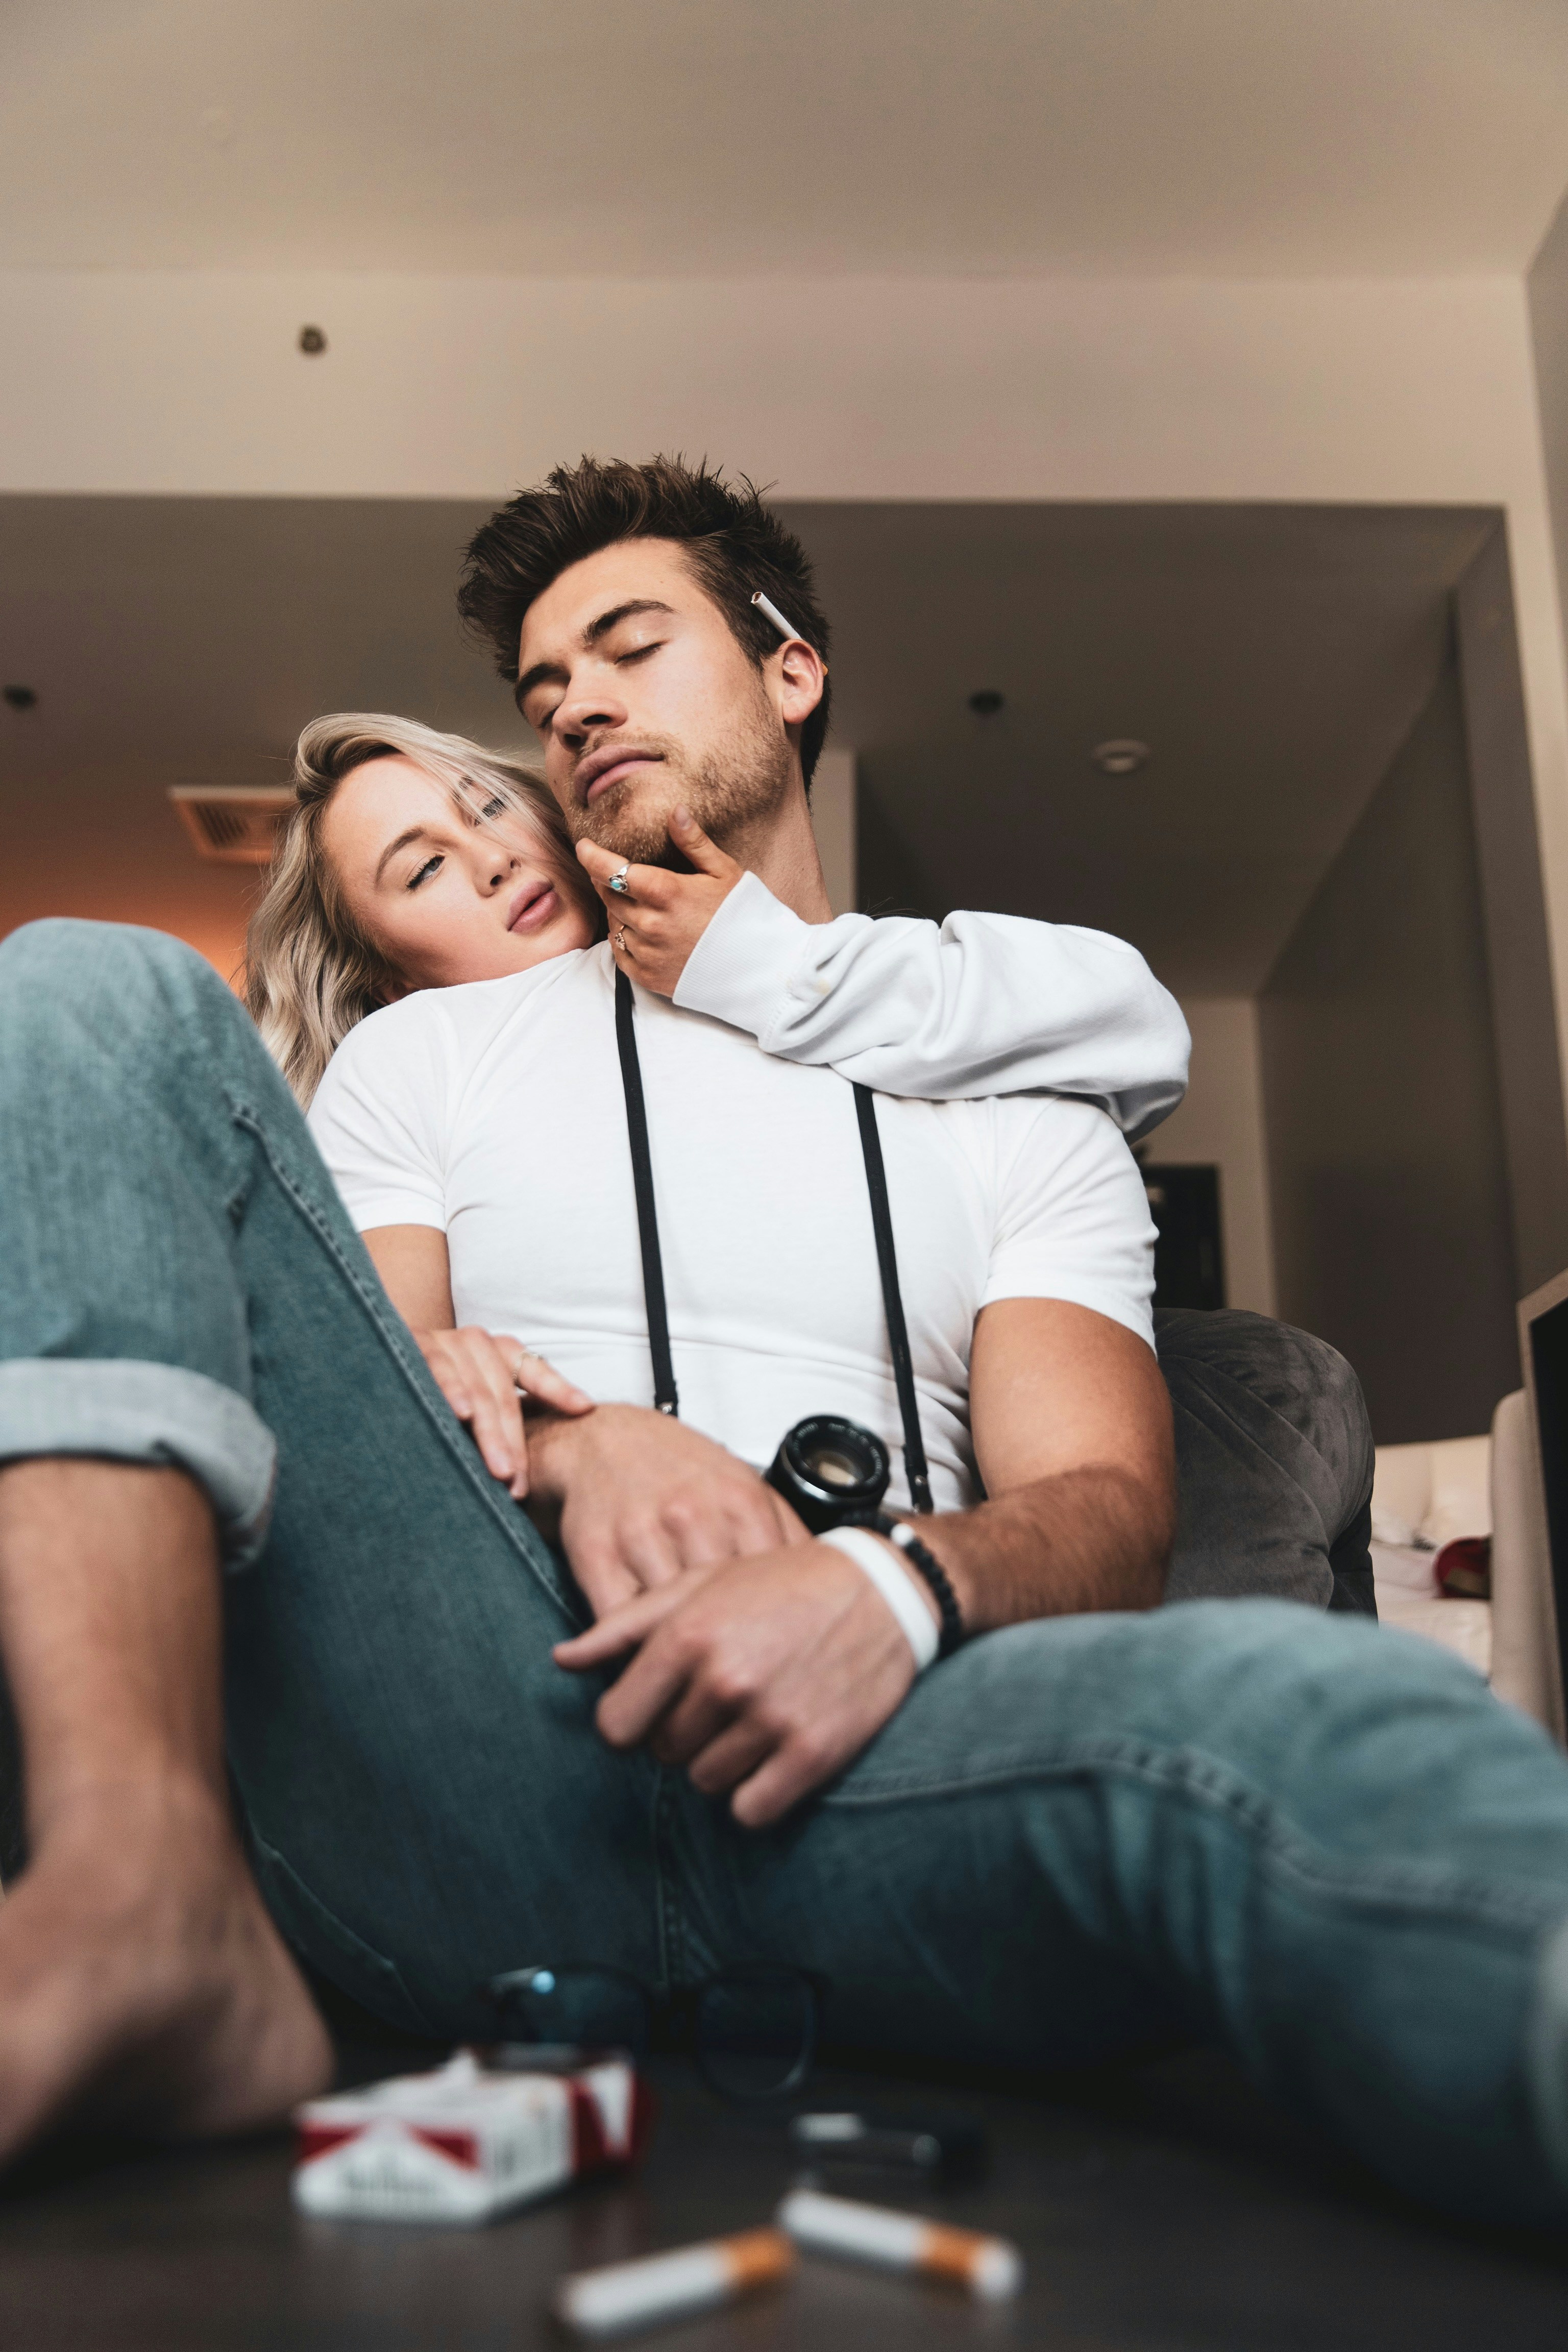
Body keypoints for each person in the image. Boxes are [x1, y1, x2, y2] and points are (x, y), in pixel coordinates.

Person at [2, 457, 1556, 2228]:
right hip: (484, 1737)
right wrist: (592, 1444)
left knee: (1306, 1705)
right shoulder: (425, 1060)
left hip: (882, 1756)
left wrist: (882, 1593)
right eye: (544, 691)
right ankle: (142, 1894)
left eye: (630, 645)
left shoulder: (1020, 1085)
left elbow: (1108, 1508)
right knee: (80, 985)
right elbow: (389, 1380)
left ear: (791, 672)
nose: (576, 701)